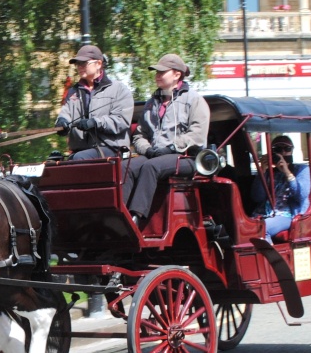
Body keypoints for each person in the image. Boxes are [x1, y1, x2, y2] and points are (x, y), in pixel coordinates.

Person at [122, 54, 209, 223]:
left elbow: (197, 135)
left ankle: (135, 218)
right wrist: (147, 149)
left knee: (151, 167)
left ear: (177, 75)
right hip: (154, 154)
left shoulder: (195, 100)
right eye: (156, 72)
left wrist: (170, 148)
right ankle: (119, 214)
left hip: (187, 157)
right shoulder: (151, 103)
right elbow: (140, 134)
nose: (157, 76)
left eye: (162, 72)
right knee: (125, 167)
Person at [54, 44, 133, 160]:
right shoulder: (73, 92)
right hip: (80, 150)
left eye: (84, 63)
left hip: (111, 148)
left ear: (99, 64)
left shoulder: (119, 89)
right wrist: (62, 122)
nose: (79, 67)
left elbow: (121, 121)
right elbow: (66, 113)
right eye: (77, 64)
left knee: (78, 159)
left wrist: (95, 122)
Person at [250, 135, 311, 242]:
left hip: (286, 214)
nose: (282, 153)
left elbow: (301, 195)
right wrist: (262, 171)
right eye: (278, 149)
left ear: (292, 151)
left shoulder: (301, 169)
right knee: (242, 228)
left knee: (262, 229)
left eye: (287, 149)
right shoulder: (270, 172)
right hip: (264, 213)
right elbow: (257, 197)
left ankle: (270, 259)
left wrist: (287, 172)